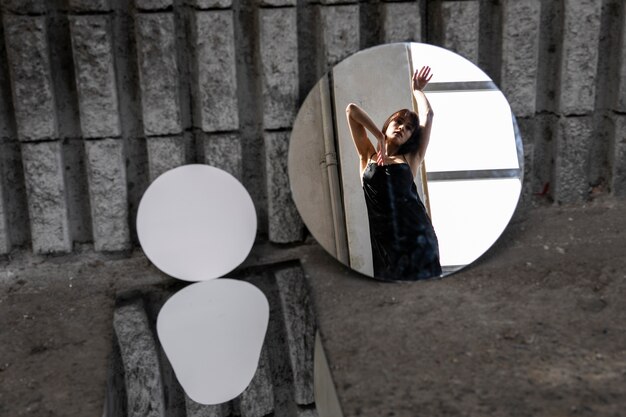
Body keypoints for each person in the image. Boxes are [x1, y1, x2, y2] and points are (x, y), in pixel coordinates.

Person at [345, 66, 442, 281]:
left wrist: (416, 89)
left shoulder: (410, 159)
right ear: (389, 124)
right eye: (398, 122)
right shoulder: (367, 156)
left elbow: (429, 114)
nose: (402, 128)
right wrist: (379, 138)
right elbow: (351, 110)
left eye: (408, 128)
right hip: (387, 247)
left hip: (419, 239)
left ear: (410, 137)